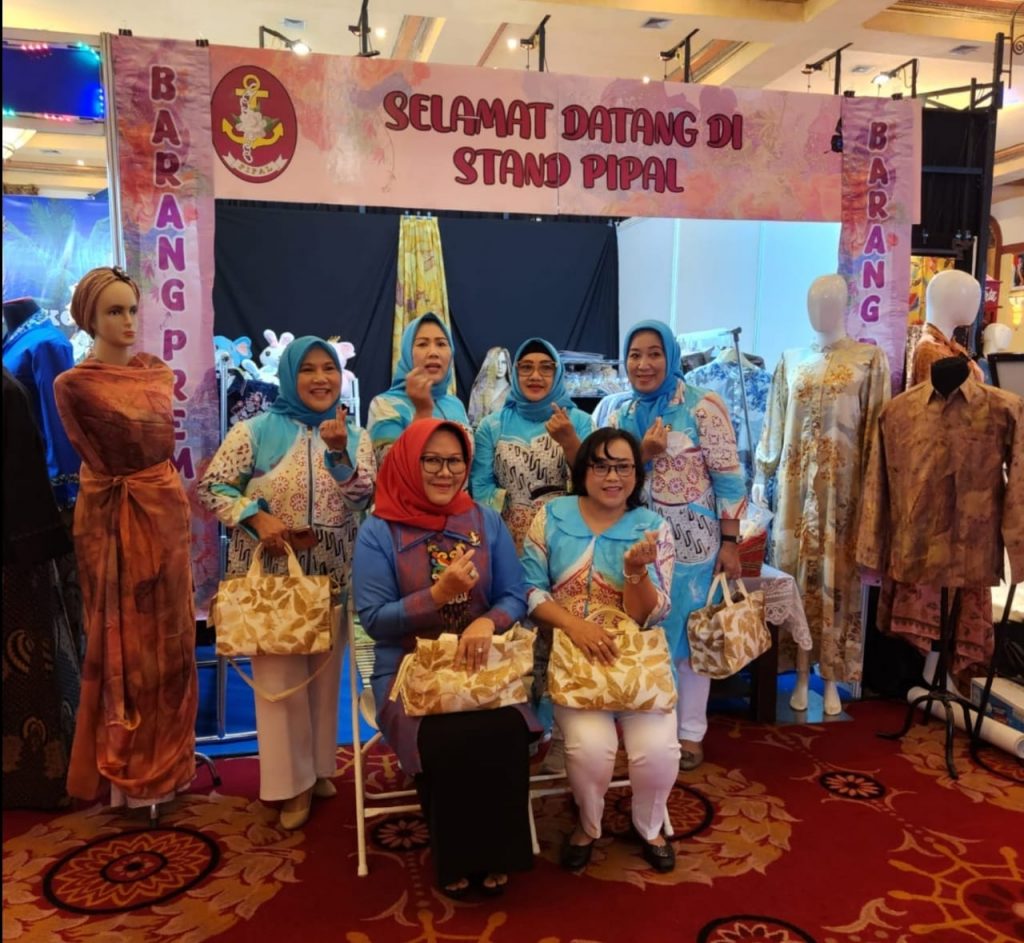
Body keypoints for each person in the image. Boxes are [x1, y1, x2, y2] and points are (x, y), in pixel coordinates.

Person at [353, 419, 536, 899]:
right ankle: (458, 856)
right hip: (409, 666)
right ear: (407, 464)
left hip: (480, 661)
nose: (444, 471)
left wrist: (487, 622)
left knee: (505, 727)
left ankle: (497, 853)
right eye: (430, 460)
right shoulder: (379, 530)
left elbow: (514, 595)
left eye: (454, 461)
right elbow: (373, 620)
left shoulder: (484, 521)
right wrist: (435, 596)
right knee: (444, 735)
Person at [199, 336, 375, 829]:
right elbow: (212, 487)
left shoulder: (354, 435)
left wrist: (339, 454)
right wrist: (255, 517)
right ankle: (288, 785)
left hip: (333, 577)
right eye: (308, 369)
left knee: (323, 683)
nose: (320, 379)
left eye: (329, 369)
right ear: (289, 376)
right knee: (280, 688)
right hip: (274, 582)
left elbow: (364, 500)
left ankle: (317, 769)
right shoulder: (254, 431)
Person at [53, 266, 197, 814]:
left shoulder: (155, 374)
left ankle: (173, 765)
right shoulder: (74, 386)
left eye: (133, 309)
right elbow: (95, 460)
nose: (128, 321)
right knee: (126, 644)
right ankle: (132, 774)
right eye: (114, 311)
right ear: (89, 318)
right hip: (112, 520)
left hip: (164, 514)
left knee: (173, 641)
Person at [521, 428, 679, 873]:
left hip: (636, 664)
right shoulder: (551, 517)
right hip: (576, 663)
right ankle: (588, 826)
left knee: (658, 751)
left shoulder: (652, 528)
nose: (613, 477)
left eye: (623, 466)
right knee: (591, 749)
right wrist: (575, 625)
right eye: (601, 465)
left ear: (637, 472)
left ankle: (650, 826)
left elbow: (651, 613)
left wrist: (634, 572)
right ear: (583, 469)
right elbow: (529, 590)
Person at [605, 320, 746, 771]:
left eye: (654, 354)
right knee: (643, 634)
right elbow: (608, 479)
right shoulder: (618, 413)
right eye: (635, 355)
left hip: (693, 547)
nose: (643, 364)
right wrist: (643, 454)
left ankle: (690, 732)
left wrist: (730, 542)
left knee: (690, 638)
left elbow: (729, 480)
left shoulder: (702, 407)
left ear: (671, 356)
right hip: (635, 546)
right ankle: (647, 726)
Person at [753, 275, 889, 715]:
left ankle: (830, 678)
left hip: (841, 494)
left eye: (829, 302)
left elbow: (876, 434)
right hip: (793, 494)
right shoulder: (791, 361)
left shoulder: (869, 360)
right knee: (791, 576)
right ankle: (798, 670)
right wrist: (761, 473)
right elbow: (775, 422)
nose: (819, 310)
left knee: (836, 582)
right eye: (813, 302)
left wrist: (873, 497)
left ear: (846, 305)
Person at [470, 337, 594, 554]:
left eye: (546, 368)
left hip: (567, 539)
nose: (535, 376)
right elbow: (481, 487)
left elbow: (595, 481)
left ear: (557, 373)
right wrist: (502, 537)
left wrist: (570, 442)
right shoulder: (492, 426)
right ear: (516, 372)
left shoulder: (580, 422)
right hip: (509, 542)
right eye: (526, 367)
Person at [367, 313, 470, 466]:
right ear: (407, 353)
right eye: (422, 344)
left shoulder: (456, 404)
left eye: (441, 344)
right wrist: (422, 412)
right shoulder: (385, 405)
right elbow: (391, 468)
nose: (433, 353)